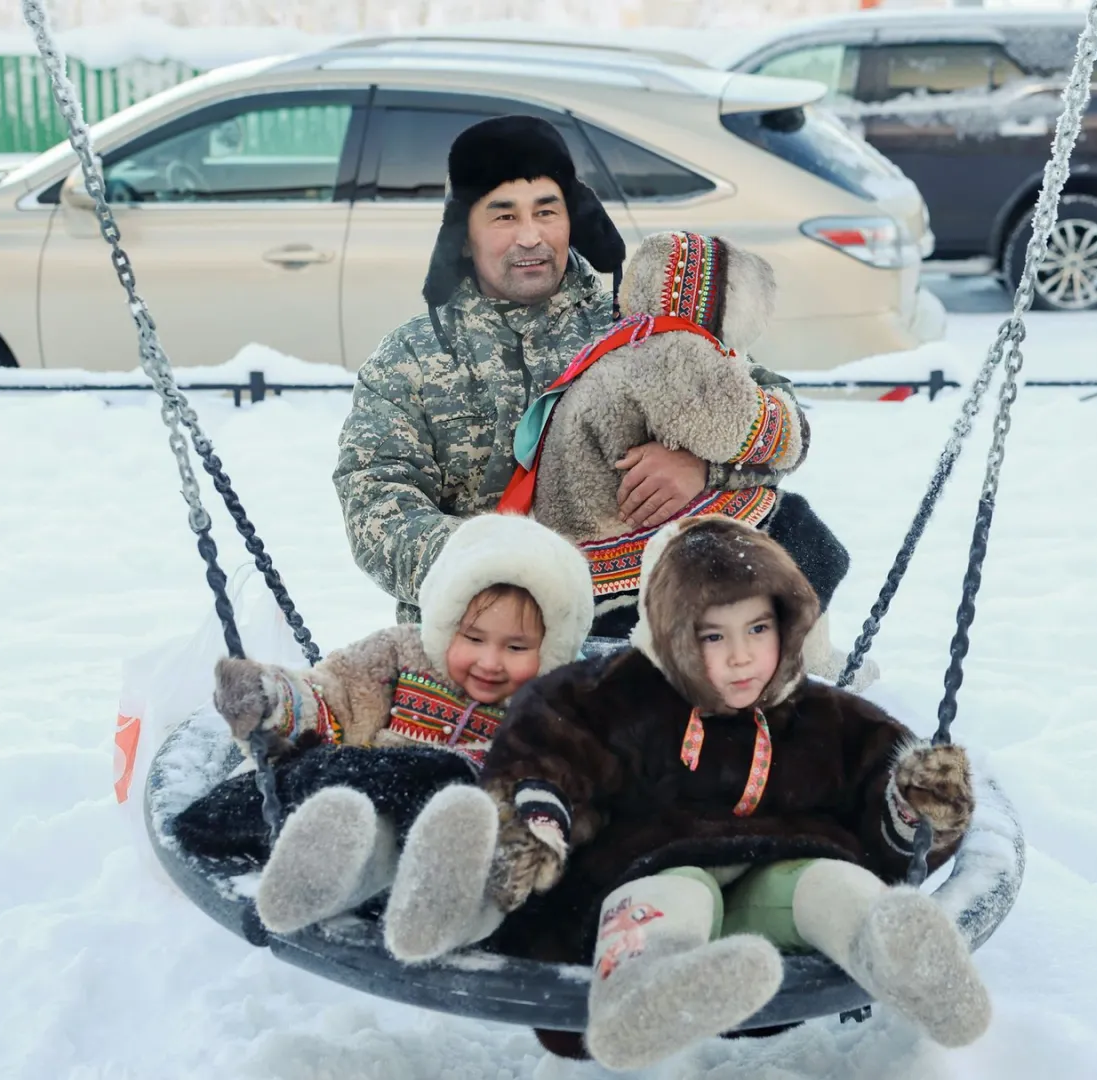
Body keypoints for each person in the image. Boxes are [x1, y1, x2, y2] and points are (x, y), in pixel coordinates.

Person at [381, 517, 988, 1067]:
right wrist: (538, 822)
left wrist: (916, 806)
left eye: (757, 628)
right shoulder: (617, 695)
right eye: (712, 636)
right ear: (673, 633)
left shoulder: (822, 715)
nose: (742, 656)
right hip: (651, 868)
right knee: (674, 893)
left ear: (788, 622)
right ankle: (643, 994)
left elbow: (880, 792)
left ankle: (905, 954)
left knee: (834, 884)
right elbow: (551, 751)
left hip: (777, 876)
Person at [333, 114, 811, 624]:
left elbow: (788, 424)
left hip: (651, 632)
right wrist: (507, 565)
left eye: (547, 211)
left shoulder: (641, 324)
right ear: (463, 233)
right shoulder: (408, 359)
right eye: (503, 216)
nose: (530, 237)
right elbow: (376, 506)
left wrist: (705, 469)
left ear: (574, 218)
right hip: (482, 645)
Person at [168, 513, 592, 936]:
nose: (489, 661)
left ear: (551, 647)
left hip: (467, 836)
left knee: (475, 842)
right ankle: (316, 871)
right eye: (474, 638)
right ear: (447, 623)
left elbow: (561, 780)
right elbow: (334, 698)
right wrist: (271, 697)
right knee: (359, 822)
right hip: (380, 797)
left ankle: (437, 917)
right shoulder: (400, 655)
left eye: (516, 647)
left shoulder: (550, 712)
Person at [504, 230, 854, 655]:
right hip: (623, 582)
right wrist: (767, 427)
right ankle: (798, 663)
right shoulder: (676, 352)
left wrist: (705, 472)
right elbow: (766, 434)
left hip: (587, 566)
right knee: (801, 533)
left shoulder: (626, 341)